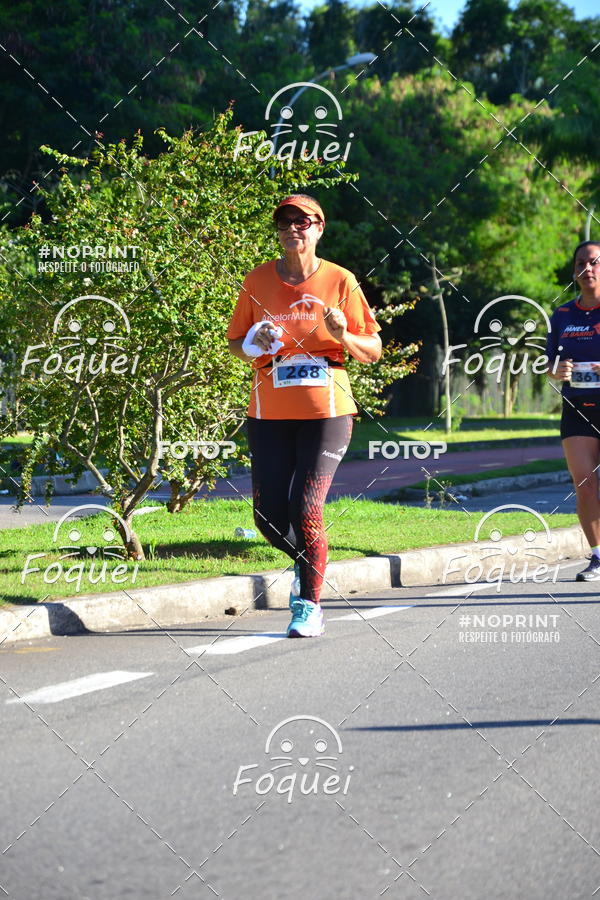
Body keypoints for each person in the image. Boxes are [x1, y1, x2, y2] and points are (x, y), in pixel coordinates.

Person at [227, 194, 382, 636]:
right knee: (267, 518)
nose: (293, 228)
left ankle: (309, 605)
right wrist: (254, 341)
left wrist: (343, 335)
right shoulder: (257, 280)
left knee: (307, 508)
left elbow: (373, 349)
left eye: (303, 221)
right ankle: (309, 565)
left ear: (319, 228)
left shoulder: (340, 280)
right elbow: (236, 343)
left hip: (326, 412)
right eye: (285, 222)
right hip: (269, 412)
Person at [546, 240, 600, 581]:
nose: (587, 269)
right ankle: (598, 556)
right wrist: (556, 370)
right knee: (584, 482)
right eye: (581, 263)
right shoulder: (563, 315)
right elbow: (549, 362)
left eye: (594, 262)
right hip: (578, 407)